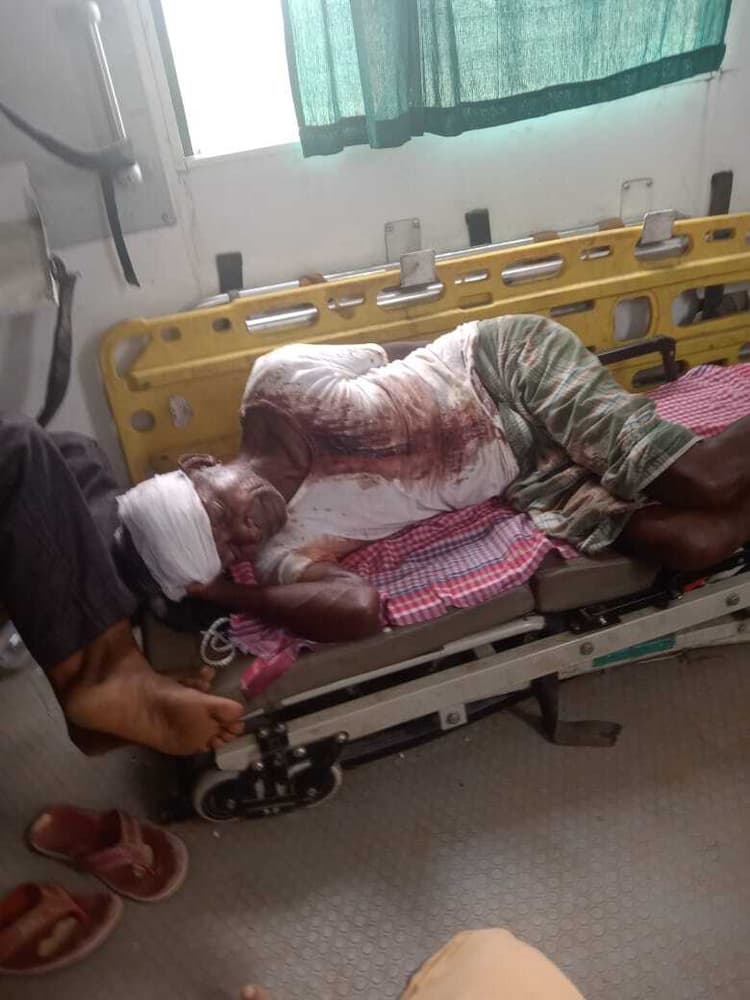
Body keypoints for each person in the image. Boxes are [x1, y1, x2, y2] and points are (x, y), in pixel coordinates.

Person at [169, 314, 749, 636]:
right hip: (527, 468)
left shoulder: (278, 381)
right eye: (225, 547)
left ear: (199, 465)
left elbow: (390, 351)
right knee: (688, 541)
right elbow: (358, 609)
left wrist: (456, 368)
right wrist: (224, 592)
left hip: (504, 368)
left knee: (702, 479)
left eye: (215, 512)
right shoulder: (282, 551)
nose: (242, 531)